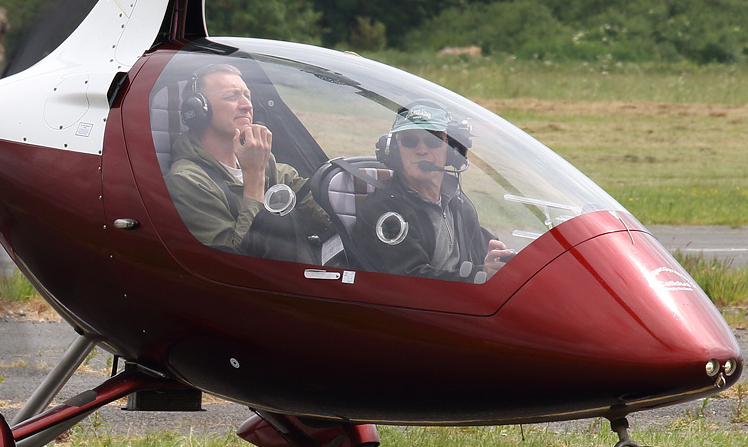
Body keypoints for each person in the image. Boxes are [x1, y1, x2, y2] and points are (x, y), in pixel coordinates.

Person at [165, 63, 327, 262]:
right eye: (232, 96)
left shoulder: (265, 163)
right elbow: (236, 260)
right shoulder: (186, 181)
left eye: (247, 96)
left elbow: (322, 208)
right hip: (247, 287)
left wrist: (360, 188)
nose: (247, 105)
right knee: (278, 221)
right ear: (198, 109)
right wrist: (254, 175)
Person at [350, 106, 512, 283]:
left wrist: (503, 260)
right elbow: (412, 282)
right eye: (410, 141)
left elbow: (486, 250)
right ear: (396, 150)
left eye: (433, 140)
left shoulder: (456, 201)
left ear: (451, 150)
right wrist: (480, 276)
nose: (421, 150)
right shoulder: (383, 211)